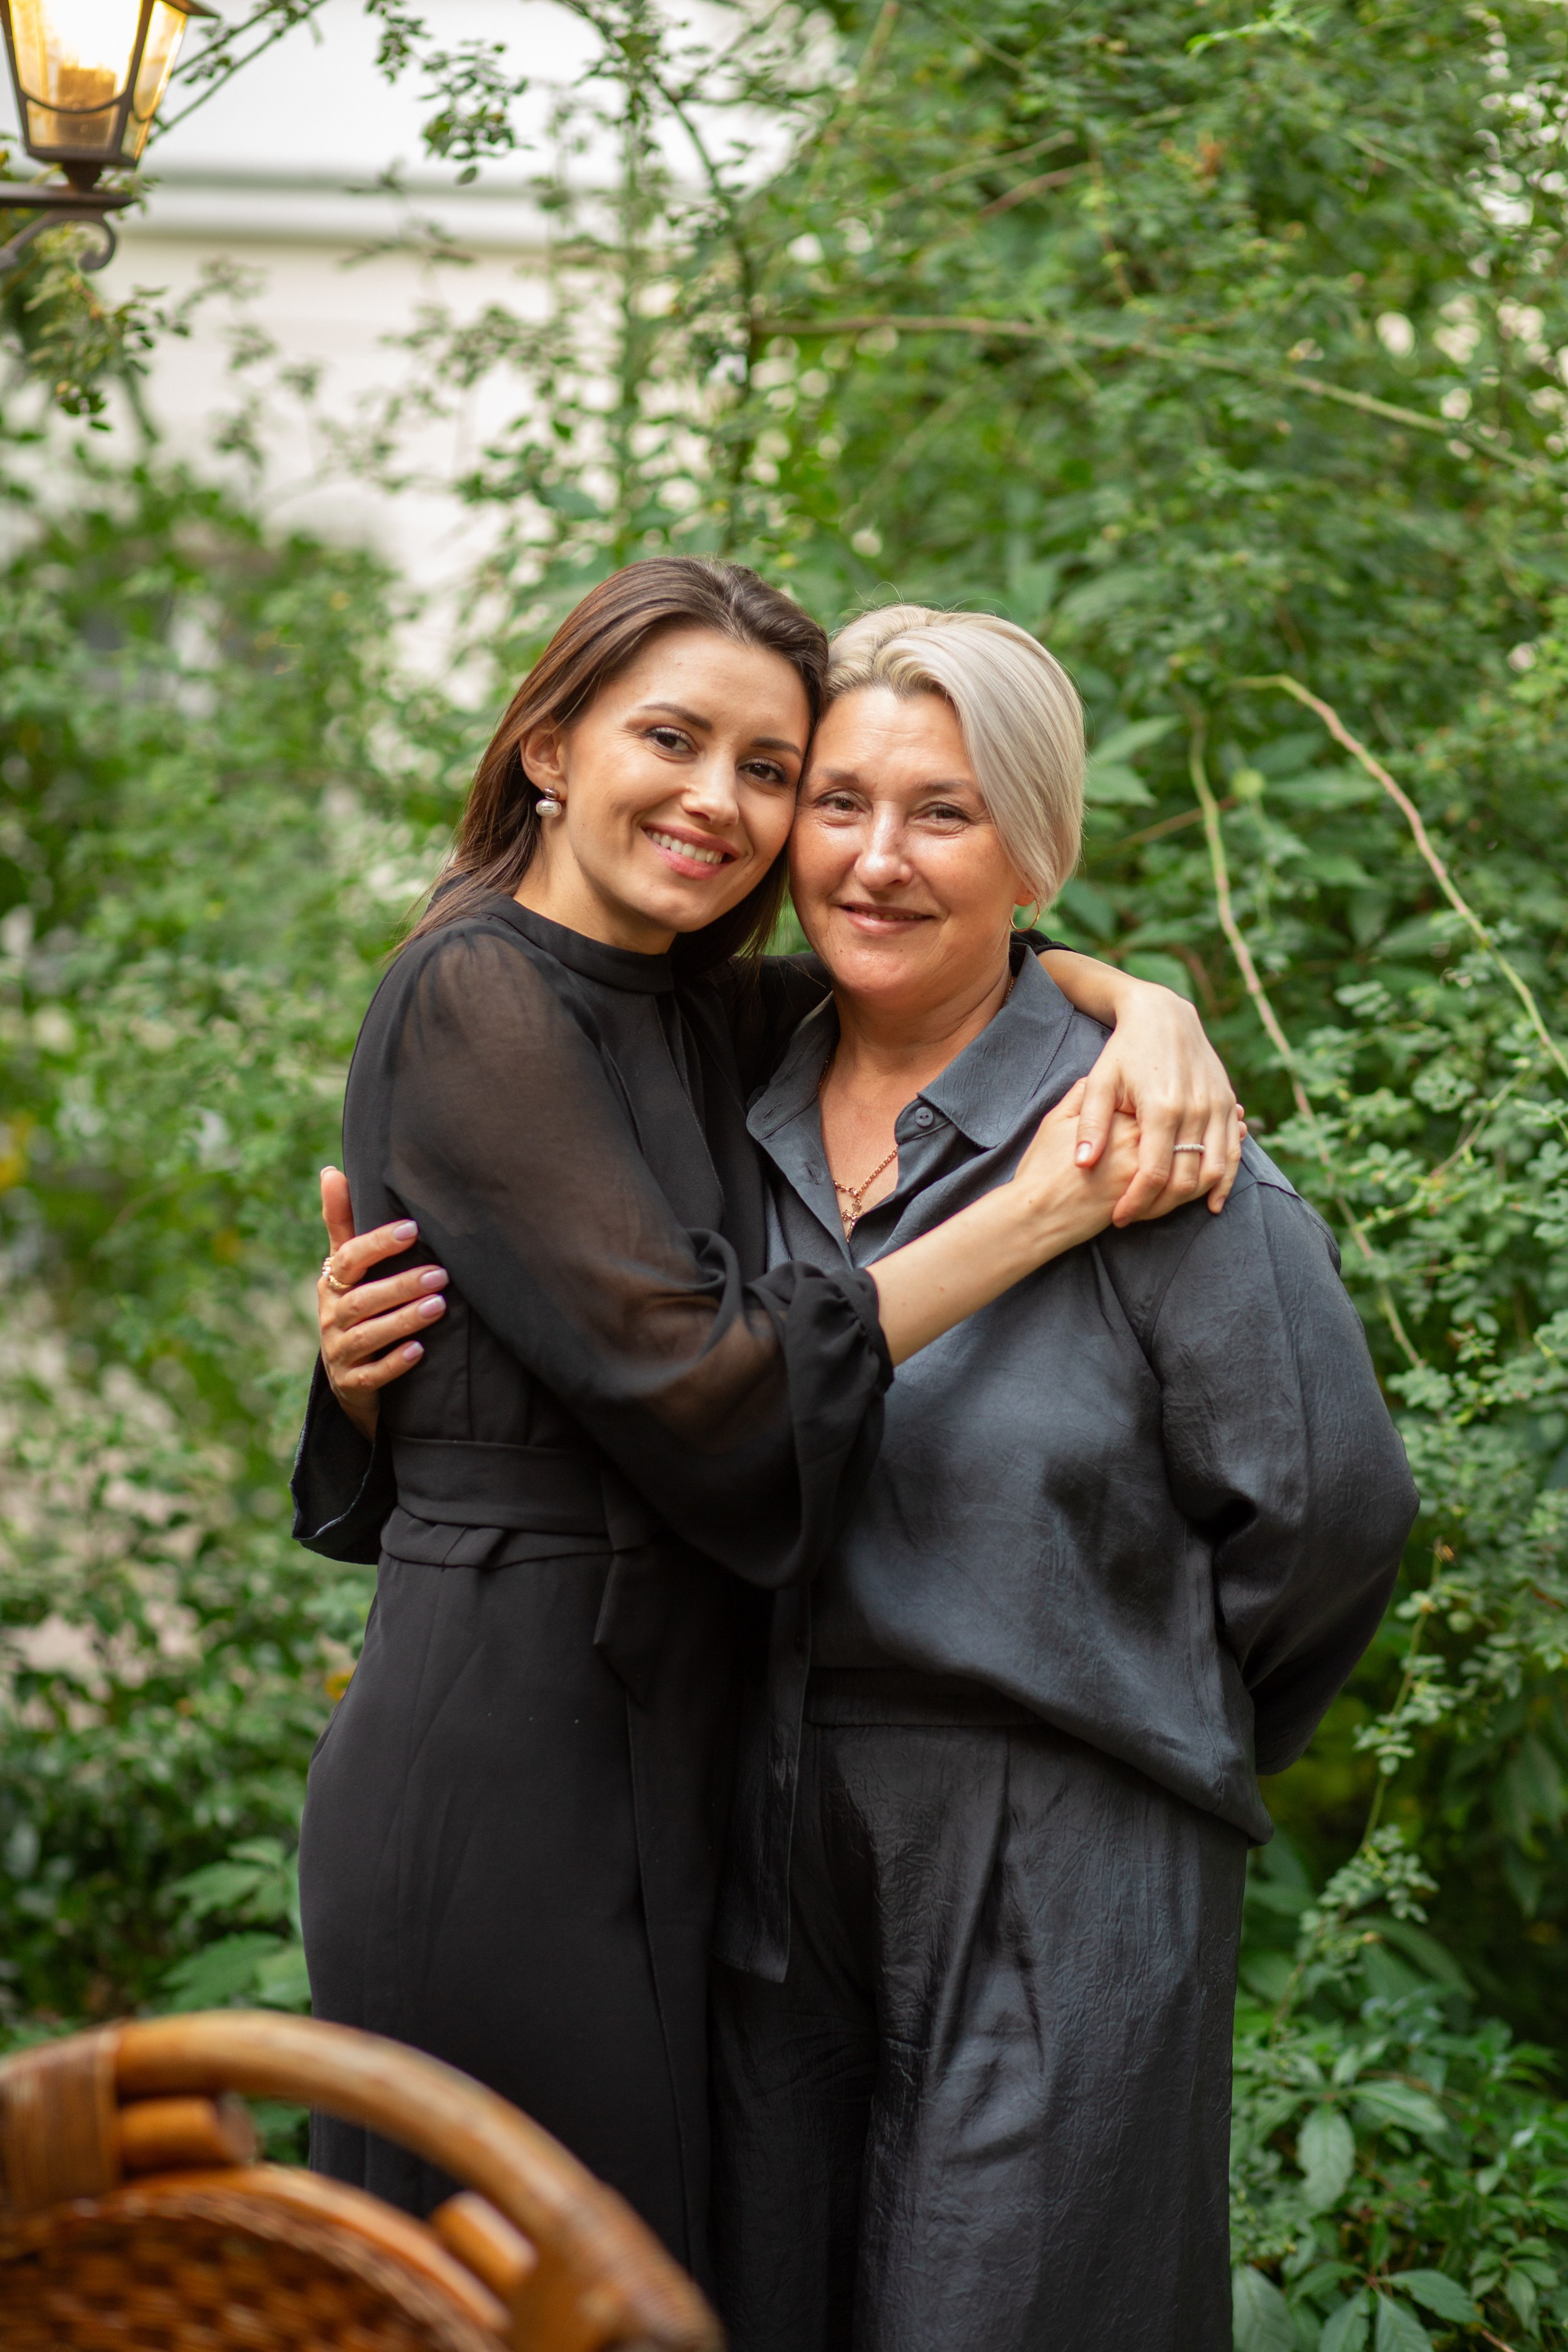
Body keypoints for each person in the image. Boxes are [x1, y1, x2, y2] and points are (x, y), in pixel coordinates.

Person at [292, 559, 1242, 2281]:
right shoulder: (476, 991)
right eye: (671, 738)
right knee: (517, 2297)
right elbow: (711, 1390)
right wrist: (1040, 1207)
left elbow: (946, 952)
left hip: (670, 1754)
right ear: (548, 747)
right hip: (508, 1766)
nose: (718, 803)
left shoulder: (697, 1009)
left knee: (665, 2289)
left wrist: (1143, 1004)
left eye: (765, 770)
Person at [697, 607, 1420, 2352]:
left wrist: (1140, 1703)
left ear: (1038, 848)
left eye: (941, 812)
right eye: (840, 801)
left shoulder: (1153, 1157)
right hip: (755, 1839)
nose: (874, 859)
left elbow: (1331, 1518)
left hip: (1059, 1847)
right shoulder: (716, 1100)